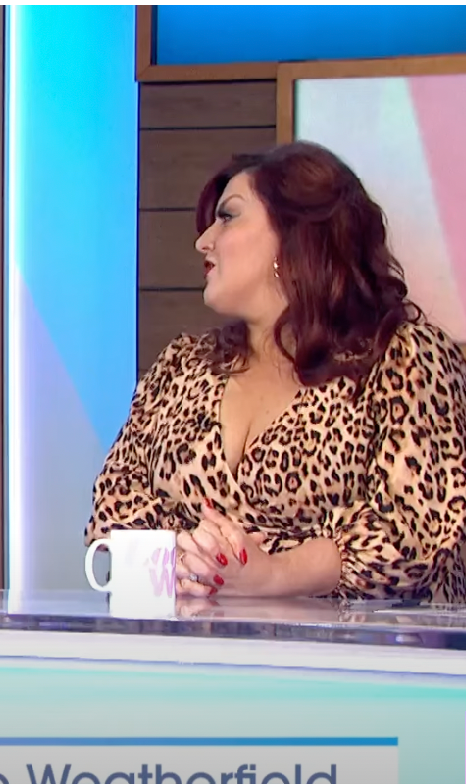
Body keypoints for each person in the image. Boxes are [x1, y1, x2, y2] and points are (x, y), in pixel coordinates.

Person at [86, 140, 466, 603]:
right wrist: (179, 561)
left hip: (363, 664)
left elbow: (416, 532)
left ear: (294, 235)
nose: (203, 241)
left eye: (227, 216)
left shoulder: (406, 357)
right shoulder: (181, 365)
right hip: (190, 659)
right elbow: (114, 506)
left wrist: (274, 574)